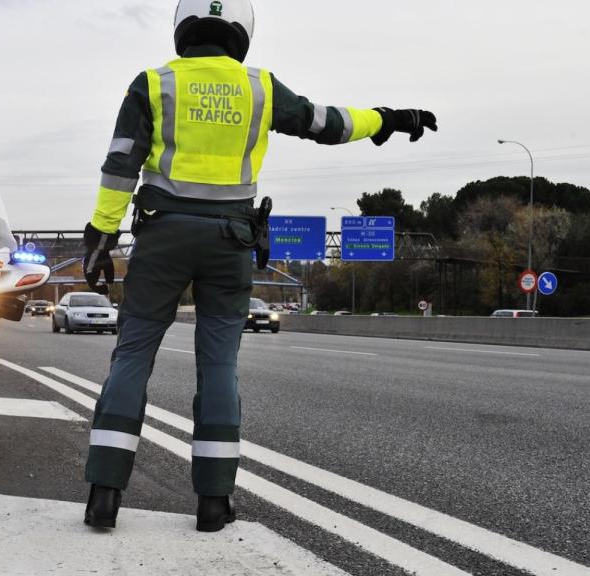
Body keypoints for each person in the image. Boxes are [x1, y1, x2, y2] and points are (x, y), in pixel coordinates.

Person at [81, 0, 438, 532]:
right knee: (219, 365)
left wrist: (101, 233)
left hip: (162, 237)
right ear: (241, 33)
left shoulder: (153, 83)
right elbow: (327, 122)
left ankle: (105, 493)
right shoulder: (260, 87)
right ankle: (213, 502)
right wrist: (387, 118)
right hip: (230, 241)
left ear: (182, 29)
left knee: (133, 354)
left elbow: (121, 163)